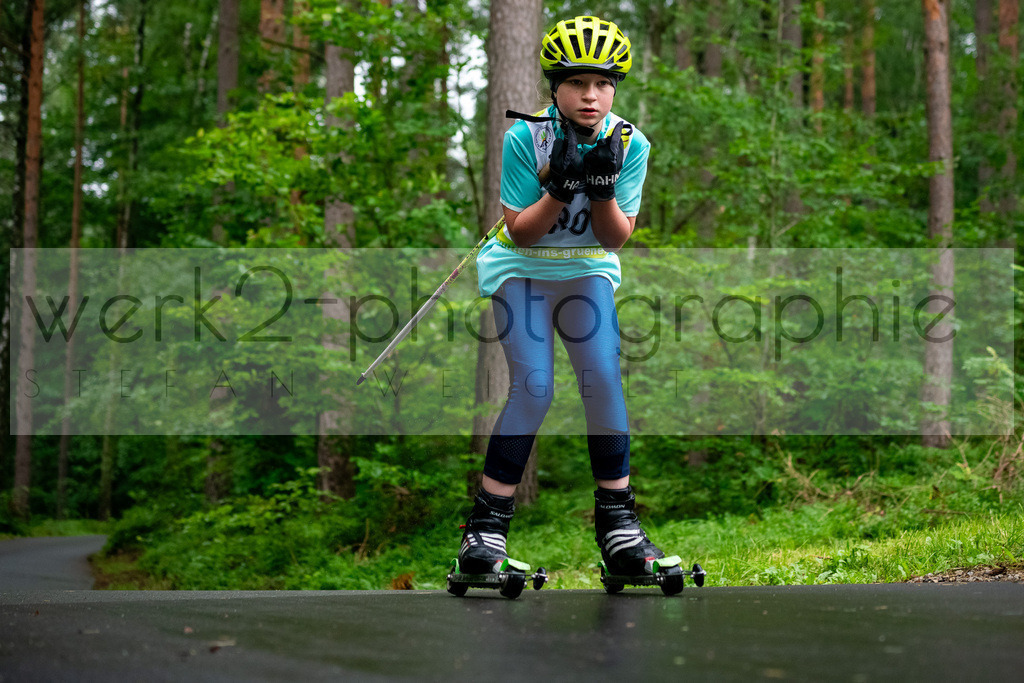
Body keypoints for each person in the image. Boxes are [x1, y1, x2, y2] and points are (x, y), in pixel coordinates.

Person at [457, 15, 667, 581]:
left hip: (586, 268)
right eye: (576, 83)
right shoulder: (526, 137)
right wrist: (559, 185)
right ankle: (485, 533)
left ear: (615, 88)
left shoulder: (631, 143)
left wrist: (600, 188)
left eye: (601, 83)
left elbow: (615, 237)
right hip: (520, 267)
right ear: (555, 87)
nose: (590, 95)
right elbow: (522, 231)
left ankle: (620, 528)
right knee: (535, 385)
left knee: (601, 376)